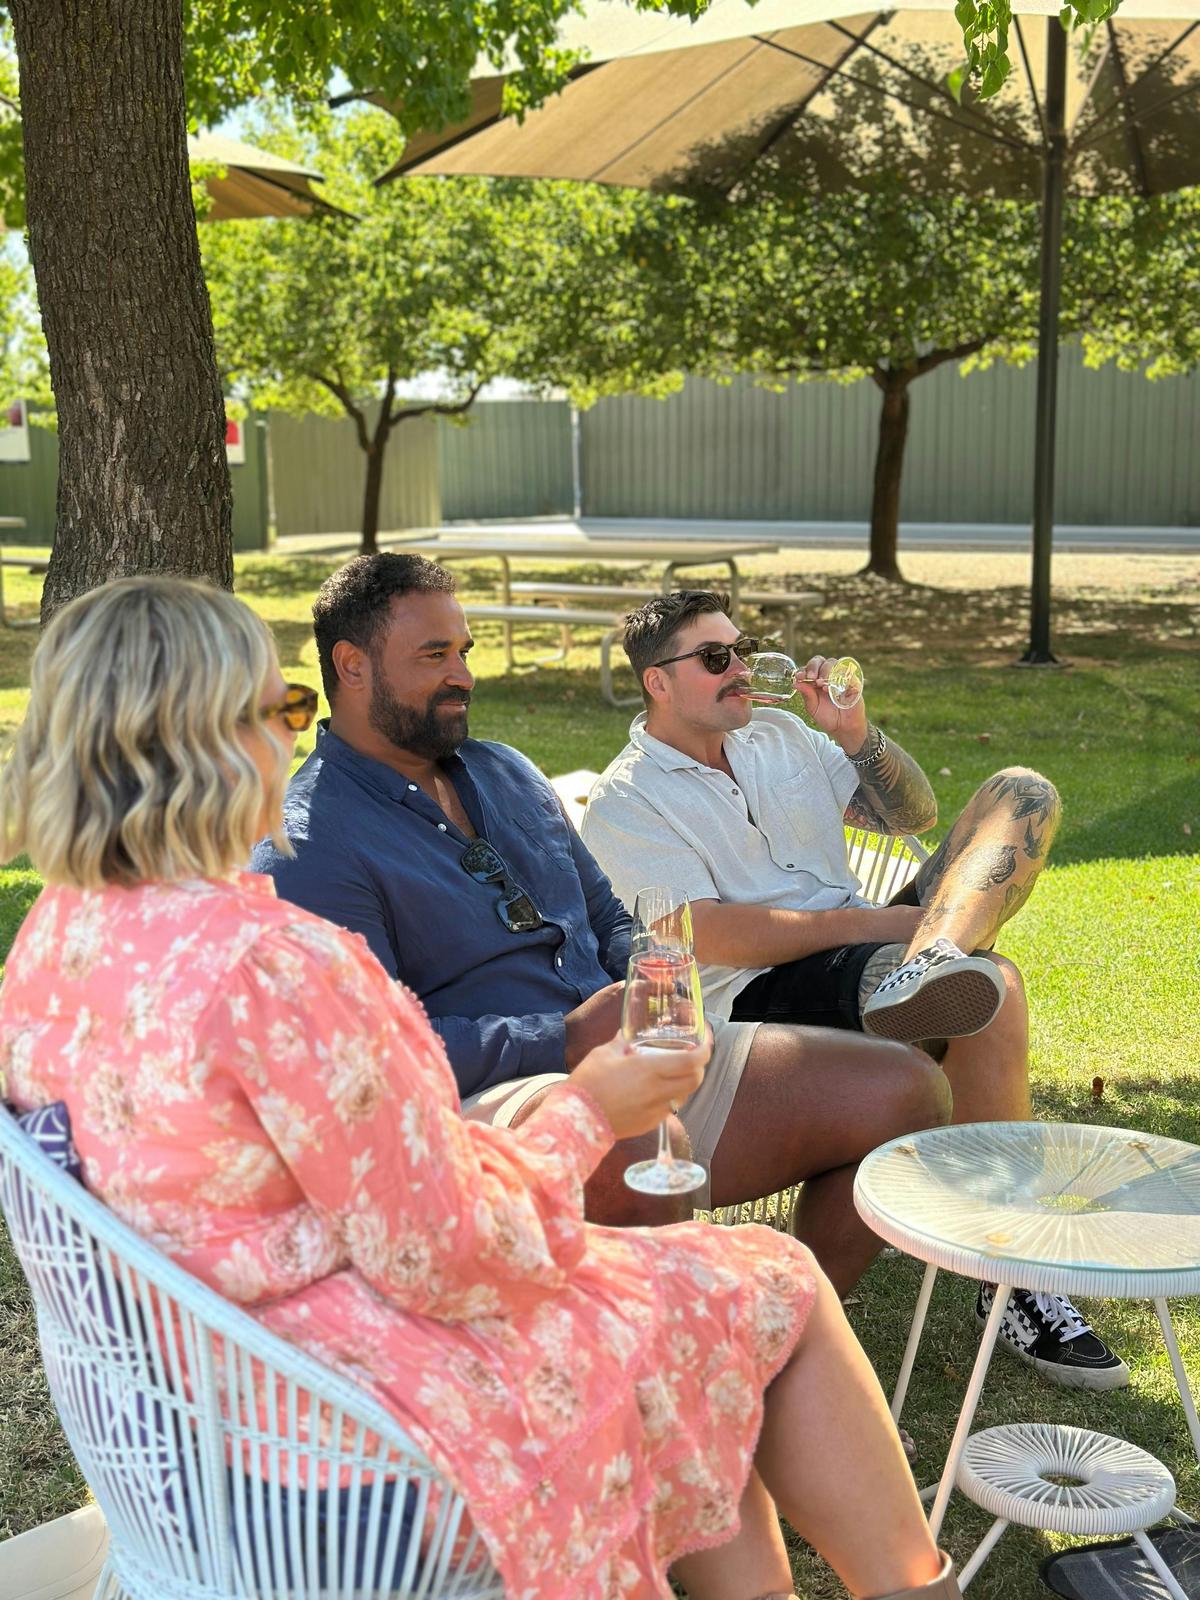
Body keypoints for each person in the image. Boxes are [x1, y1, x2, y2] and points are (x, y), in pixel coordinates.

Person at [0, 574, 962, 1600]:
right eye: (282, 708)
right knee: (775, 1286)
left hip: (213, 1401)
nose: (292, 734)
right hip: (349, 1429)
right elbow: (447, 1254)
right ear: (212, 740)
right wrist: (595, 1104)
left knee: (704, 1300)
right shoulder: (272, 961)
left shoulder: (53, 943)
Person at [254, 554, 952, 1299]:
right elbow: (364, 1058)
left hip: (630, 1047)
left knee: (904, 1090)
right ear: (352, 666)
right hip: (493, 1102)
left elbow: (614, 924)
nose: (462, 673)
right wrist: (561, 1039)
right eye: (435, 655)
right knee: (633, 1148)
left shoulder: (507, 773)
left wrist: (658, 985)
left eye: (464, 651)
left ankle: (781, 1328)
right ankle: (690, 1350)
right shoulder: (308, 844)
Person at [580, 588, 1129, 1392]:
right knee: (996, 987)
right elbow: (709, 934)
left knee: (1023, 793)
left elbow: (913, 808)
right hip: (763, 995)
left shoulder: (778, 735)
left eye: (740, 650)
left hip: (874, 943)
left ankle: (931, 961)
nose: (740, 671)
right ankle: (1012, 1278)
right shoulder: (628, 801)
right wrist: (874, 927)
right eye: (714, 659)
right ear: (657, 682)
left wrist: (855, 733)